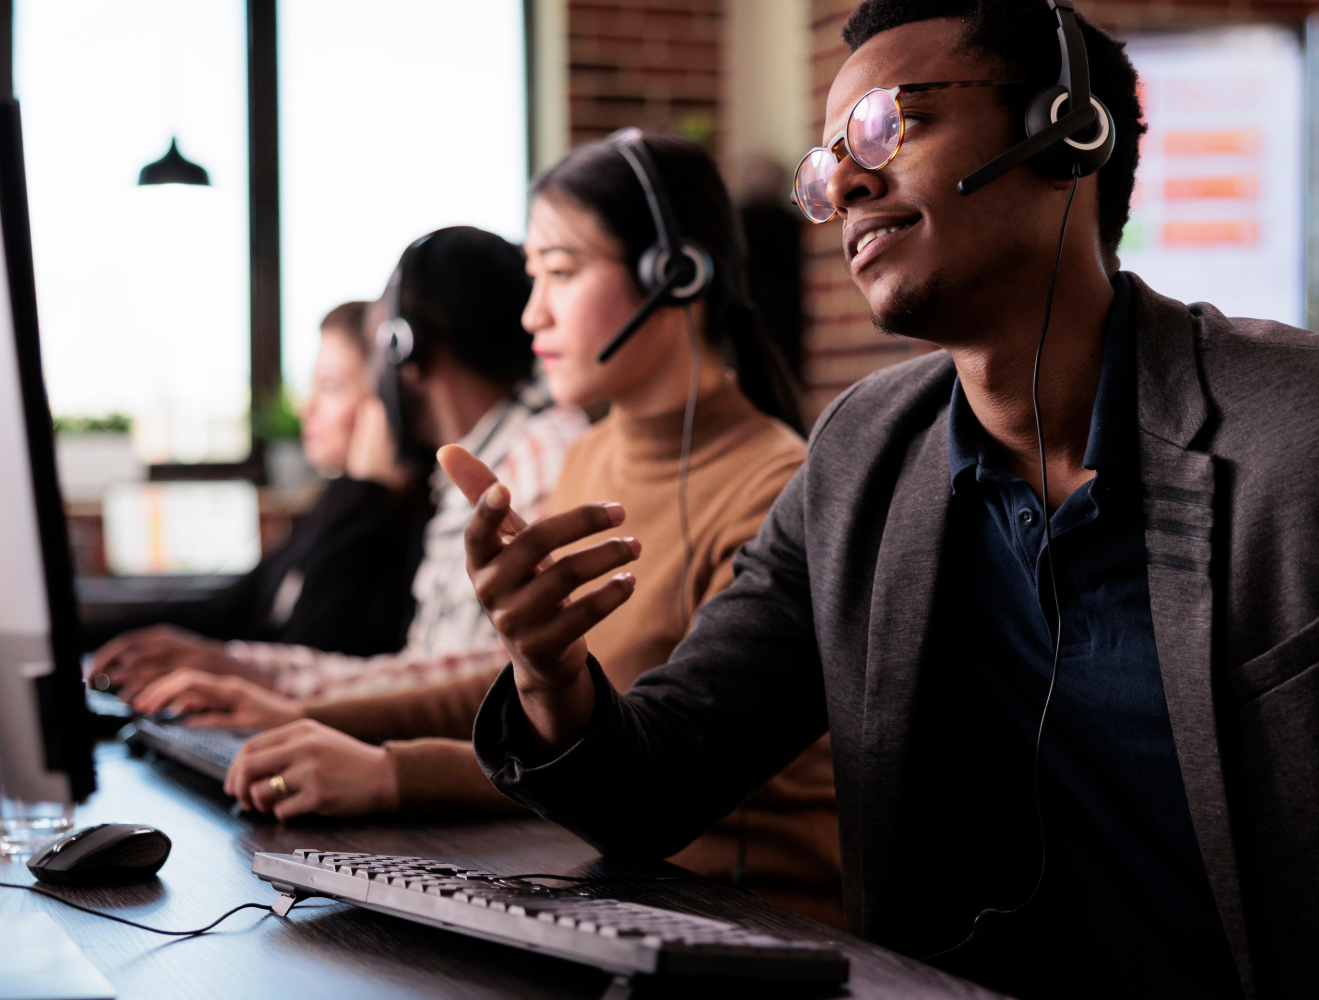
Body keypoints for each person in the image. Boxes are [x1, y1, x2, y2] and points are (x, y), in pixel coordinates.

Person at [450, 3, 1319, 999]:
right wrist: (549, 671)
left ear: (1064, 128)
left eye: (883, 127)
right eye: (828, 167)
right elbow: (661, 779)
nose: (848, 186)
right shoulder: (859, 461)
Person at [140, 135, 845, 926]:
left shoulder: (772, 487)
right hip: (606, 883)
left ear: (672, 275)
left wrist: (389, 774)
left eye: (562, 272)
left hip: (739, 918)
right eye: (533, 275)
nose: (530, 312)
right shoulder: (592, 457)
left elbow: (630, 753)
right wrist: (294, 713)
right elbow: (522, 699)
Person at [95, 227, 589, 701]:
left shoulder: (536, 459)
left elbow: (494, 691)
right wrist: (247, 672)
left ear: (404, 350)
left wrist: (280, 695)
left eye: (376, 355)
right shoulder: (470, 470)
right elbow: (431, 670)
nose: (376, 384)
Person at [85, 301, 429, 661]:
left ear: (388, 404)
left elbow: (311, 649)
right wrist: (70, 637)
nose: (304, 407)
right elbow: (220, 612)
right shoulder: (332, 506)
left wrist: (366, 489)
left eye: (330, 386)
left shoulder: (398, 528)